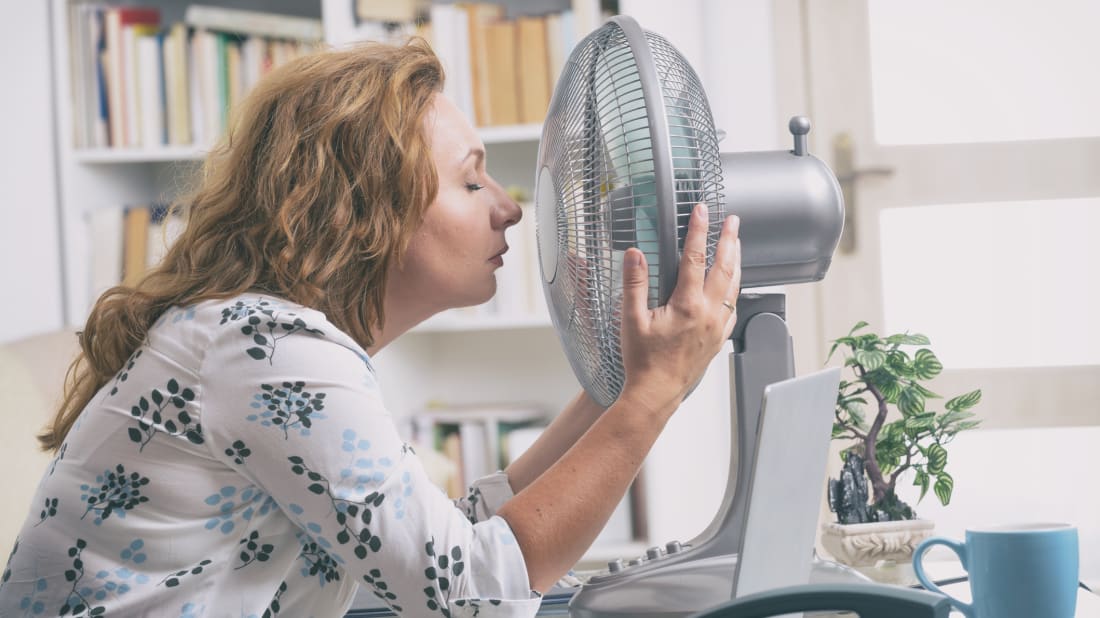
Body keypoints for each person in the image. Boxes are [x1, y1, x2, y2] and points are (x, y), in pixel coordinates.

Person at [0, 38, 741, 617]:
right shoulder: (268, 351)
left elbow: (440, 543)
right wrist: (653, 394)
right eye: (471, 179)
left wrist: (622, 385)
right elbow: (468, 592)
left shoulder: (259, 340)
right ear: (366, 210)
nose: (510, 208)